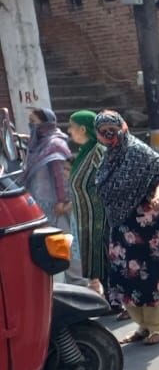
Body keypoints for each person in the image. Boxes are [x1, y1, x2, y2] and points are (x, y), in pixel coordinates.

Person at [95, 111, 159, 345]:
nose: (109, 135)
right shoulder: (108, 158)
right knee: (126, 277)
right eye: (104, 131)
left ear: (123, 127)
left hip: (149, 226)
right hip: (121, 227)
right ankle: (141, 325)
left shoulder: (139, 152)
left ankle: (157, 327)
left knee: (153, 277)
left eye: (113, 129)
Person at [23, 108, 74, 281]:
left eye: (34, 122)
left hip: (55, 204)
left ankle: (78, 282)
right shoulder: (39, 145)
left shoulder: (55, 145)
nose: (31, 125)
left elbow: (60, 175)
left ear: (45, 124)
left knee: (63, 241)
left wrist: (62, 200)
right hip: (41, 202)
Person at [66, 110, 108, 294]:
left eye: (72, 127)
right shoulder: (84, 152)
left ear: (83, 129)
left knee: (103, 261)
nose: (69, 131)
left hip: (97, 217)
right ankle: (100, 293)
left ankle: (112, 300)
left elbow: (107, 181)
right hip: (84, 215)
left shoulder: (98, 151)